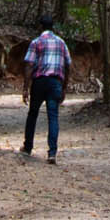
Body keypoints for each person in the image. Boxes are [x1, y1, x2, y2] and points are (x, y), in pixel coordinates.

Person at [21, 14, 70, 163]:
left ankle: (28, 147)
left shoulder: (36, 42)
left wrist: (25, 87)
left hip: (39, 82)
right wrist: (64, 87)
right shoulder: (61, 43)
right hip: (55, 82)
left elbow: (29, 65)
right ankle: (52, 153)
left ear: (40, 27)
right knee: (53, 117)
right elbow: (68, 65)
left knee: (33, 114)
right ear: (52, 27)